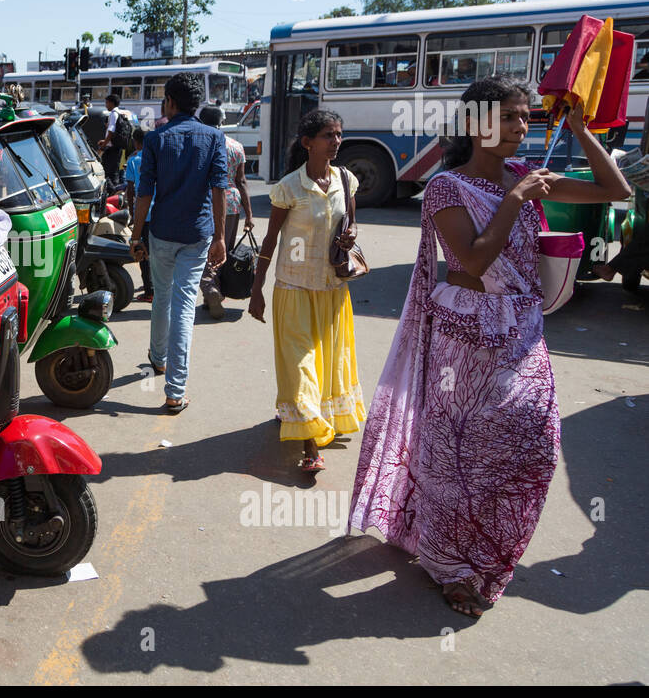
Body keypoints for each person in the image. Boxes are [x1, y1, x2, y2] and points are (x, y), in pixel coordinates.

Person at [349, 77, 631, 618]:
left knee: (536, 445)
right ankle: (451, 564)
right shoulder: (446, 188)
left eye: (527, 118)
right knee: (460, 457)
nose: (522, 128)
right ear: (477, 123)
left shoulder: (526, 174)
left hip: (521, 330)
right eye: (509, 117)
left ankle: (489, 552)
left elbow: (614, 189)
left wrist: (580, 130)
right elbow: (472, 262)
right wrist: (515, 200)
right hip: (464, 338)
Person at [248, 110, 365, 473]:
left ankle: (296, 414)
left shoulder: (348, 180)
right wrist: (257, 289)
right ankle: (310, 444)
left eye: (339, 135)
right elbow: (270, 240)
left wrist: (350, 236)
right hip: (294, 287)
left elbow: (352, 222)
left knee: (330, 363)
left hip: (331, 288)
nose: (336, 141)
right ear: (307, 143)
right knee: (301, 366)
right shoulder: (288, 187)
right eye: (329, 135)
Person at [129, 72, 228, 412]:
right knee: (184, 306)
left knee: (162, 297)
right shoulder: (214, 137)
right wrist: (220, 237)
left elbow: (145, 193)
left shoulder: (156, 139)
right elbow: (220, 189)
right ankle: (175, 391)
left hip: (162, 232)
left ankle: (158, 359)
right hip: (197, 234)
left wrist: (136, 232)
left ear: (170, 101)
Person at [199, 132, 255, 318]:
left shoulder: (203, 143)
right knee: (224, 249)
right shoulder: (237, 146)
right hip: (231, 201)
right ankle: (214, 294)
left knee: (203, 249)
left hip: (207, 201)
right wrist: (249, 214)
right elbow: (241, 180)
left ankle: (210, 289)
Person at [122, 130, 154, 302]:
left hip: (143, 213)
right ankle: (156, 286)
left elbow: (130, 190)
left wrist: (133, 214)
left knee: (142, 252)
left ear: (135, 142)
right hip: (159, 212)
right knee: (157, 252)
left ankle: (150, 291)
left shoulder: (133, 160)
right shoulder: (156, 158)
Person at [100, 94, 132, 187]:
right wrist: (105, 141)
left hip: (112, 149)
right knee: (114, 171)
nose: (106, 105)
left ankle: (113, 192)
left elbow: (111, 131)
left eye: (106, 103)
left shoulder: (113, 114)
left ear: (111, 103)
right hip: (117, 147)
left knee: (108, 172)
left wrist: (103, 145)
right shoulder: (120, 113)